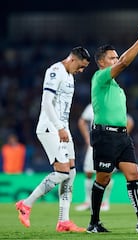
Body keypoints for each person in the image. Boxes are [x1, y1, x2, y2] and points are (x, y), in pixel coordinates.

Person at [86, 26, 138, 233]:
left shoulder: (116, 87)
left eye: (116, 57)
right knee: (103, 178)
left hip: (122, 136)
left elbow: (122, 62)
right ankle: (94, 222)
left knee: (133, 174)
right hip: (105, 135)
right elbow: (124, 62)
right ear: (101, 62)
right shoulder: (100, 77)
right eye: (112, 57)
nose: (116, 59)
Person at [15, 46, 91, 232]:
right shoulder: (55, 71)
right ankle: (26, 204)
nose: (81, 71)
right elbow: (46, 103)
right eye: (80, 66)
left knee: (71, 172)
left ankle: (63, 221)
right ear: (73, 59)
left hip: (62, 128)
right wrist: (59, 127)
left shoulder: (70, 77)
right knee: (63, 172)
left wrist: (63, 127)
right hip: (50, 127)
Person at [76, 103, 135, 212]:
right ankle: (88, 201)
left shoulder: (114, 105)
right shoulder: (92, 106)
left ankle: (105, 202)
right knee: (88, 172)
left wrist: (120, 138)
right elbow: (82, 121)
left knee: (108, 172)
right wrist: (87, 138)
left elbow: (129, 121)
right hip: (94, 143)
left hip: (110, 143)